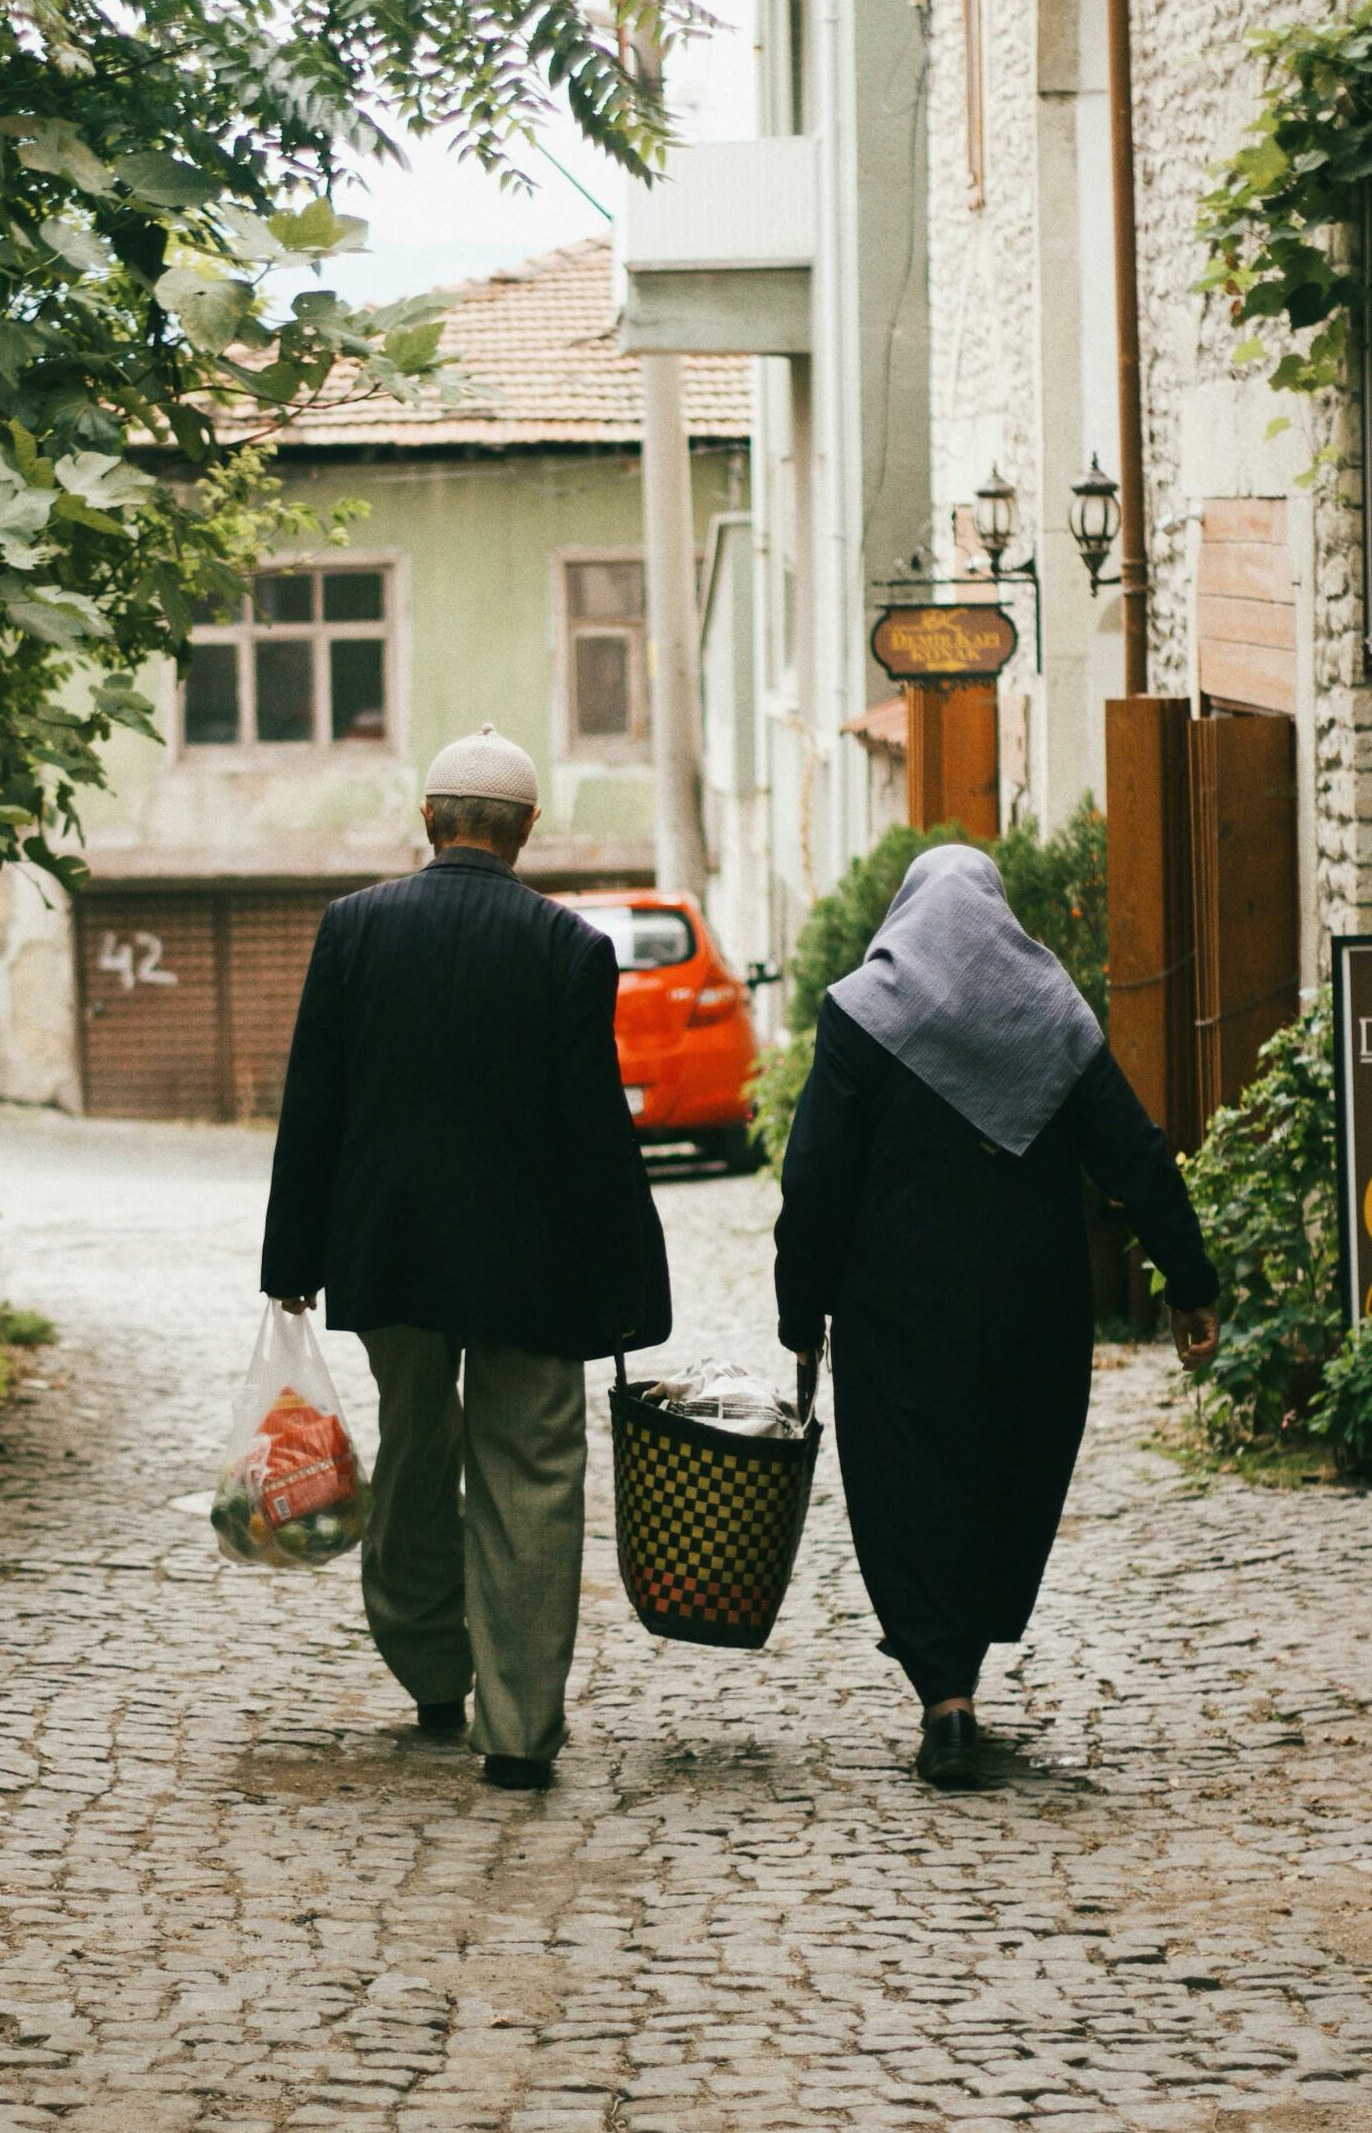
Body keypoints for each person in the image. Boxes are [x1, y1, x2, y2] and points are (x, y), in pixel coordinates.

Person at [261, 723, 670, 1790]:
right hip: (532, 1268)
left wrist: (291, 1256)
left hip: (390, 1252)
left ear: (429, 820)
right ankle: (522, 1729)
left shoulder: (353, 929)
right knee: (530, 1472)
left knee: (412, 1448)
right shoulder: (567, 948)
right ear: (527, 830)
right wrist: (627, 1285)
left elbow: (316, 1103)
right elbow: (594, 1130)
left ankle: (433, 1671)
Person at [774, 843, 1219, 1791]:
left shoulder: (862, 1014)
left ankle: (945, 1695)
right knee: (1000, 1476)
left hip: (895, 1311)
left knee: (906, 1485)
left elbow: (814, 1178)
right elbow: (1134, 1155)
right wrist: (1191, 1283)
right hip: (1033, 1309)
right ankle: (959, 1677)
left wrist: (798, 1311)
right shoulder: (1049, 1011)